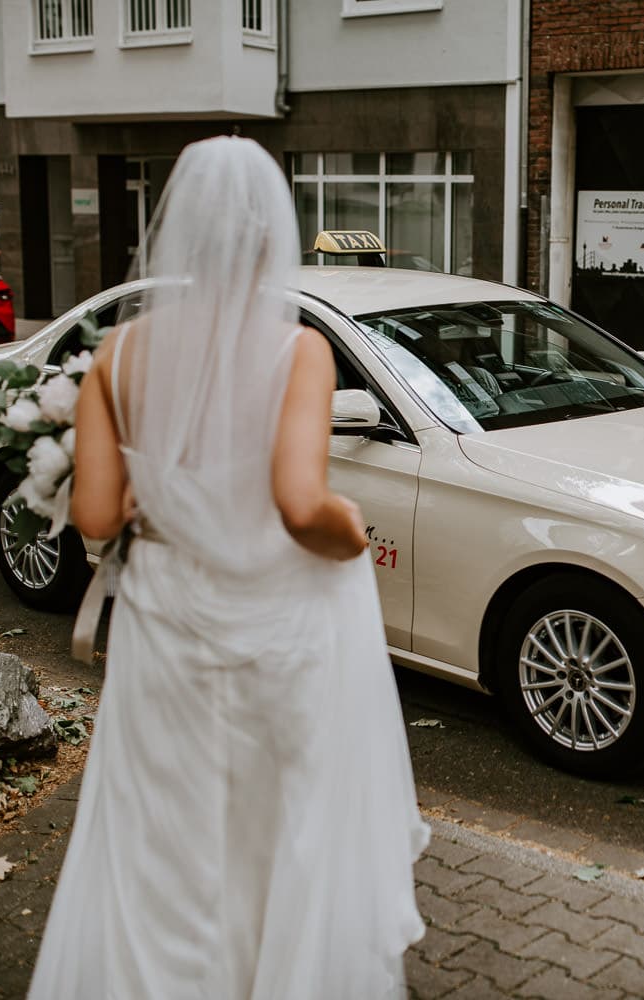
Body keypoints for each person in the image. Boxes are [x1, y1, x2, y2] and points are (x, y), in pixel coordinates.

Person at [28, 136, 428, 999]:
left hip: (164, 626)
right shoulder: (299, 353)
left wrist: (165, 497)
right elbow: (298, 505)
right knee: (272, 822)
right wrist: (351, 528)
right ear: (263, 243)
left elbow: (95, 516)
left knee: (161, 829)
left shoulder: (118, 356)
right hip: (273, 633)